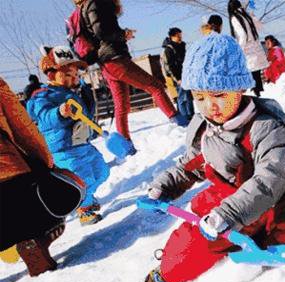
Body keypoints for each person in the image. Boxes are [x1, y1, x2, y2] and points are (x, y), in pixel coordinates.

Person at [142, 34, 285, 282]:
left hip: (267, 199)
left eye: (219, 95)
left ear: (240, 88)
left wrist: (233, 215)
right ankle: (166, 273)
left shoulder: (266, 127)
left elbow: (270, 179)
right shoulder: (203, 128)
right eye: (199, 97)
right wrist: (164, 186)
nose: (210, 106)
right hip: (222, 204)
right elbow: (192, 166)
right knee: (189, 249)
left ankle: (260, 241)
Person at [75, 0, 186, 152]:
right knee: (155, 87)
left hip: (106, 63)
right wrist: (123, 34)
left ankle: (126, 147)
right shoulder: (95, 2)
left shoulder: (83, 8)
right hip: (114, 58)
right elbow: (102, 31)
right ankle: (181, 124)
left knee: (122, 105)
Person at [27, 46, 109, 225]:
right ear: (51, 75)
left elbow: (85, 116)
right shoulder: (42, 96)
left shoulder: (74, 92)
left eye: (75, 74)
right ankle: (84, 210)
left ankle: (82, 198)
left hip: (82, 143)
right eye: (67, 75)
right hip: (63, 148)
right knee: (83, 179)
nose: (74, 78)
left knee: (102, 171)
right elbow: (44, 117)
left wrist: (94, 130)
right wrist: (59, 112)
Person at [0, 77, 69, 276]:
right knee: (54, 200)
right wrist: (46, 162)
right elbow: (21, 125)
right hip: (10, 175)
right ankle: (34, 240)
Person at [228, 0, 269, 97]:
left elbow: (242, 35)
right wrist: (253, 15)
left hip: (248, 51)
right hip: (256, 49)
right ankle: (259, 97)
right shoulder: (246, 15)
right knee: (256, 77)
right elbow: (260, 27)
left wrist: (239, 50)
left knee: (250, 78)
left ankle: (256, 103)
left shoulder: (235, 18)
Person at [162, 27, 194, 123]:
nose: (180, 37)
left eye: (180, 35)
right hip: (178, 77)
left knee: (188, 96)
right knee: (181, 97)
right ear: (172, 37)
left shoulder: (182, 46)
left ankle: (191, 115)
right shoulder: (169, 49)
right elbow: (170, 66)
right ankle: (184, 117)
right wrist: (177, 79)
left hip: (186, 75)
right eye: (177, 36)